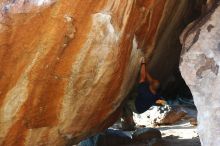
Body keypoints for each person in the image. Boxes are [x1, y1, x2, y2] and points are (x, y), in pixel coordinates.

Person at [121, 57, 166, 130]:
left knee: (126, 104)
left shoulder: (144, 92)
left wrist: (143, 63)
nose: (152, 79)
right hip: (144, 103)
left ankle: (130, 121)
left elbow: (142, 77)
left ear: (151, 85)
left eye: (153, 81)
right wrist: (145, 69)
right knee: (134, 94)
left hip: (137, 107)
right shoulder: (157, 91)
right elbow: (150, 80)